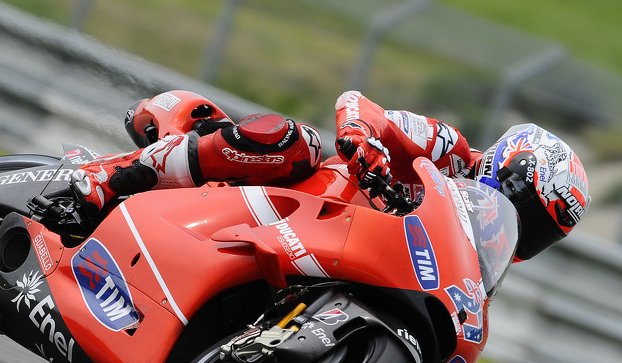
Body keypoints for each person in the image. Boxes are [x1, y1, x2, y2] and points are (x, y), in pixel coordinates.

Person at [71, 89, 590, 261]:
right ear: (511, 170)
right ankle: (108, 180)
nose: (523, 230)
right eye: (529, 213)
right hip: (298, 196)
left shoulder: (473, 253)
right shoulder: (449, 149)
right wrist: (362, 138)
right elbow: (359, 103)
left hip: (336, 254)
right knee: (296, 142)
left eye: (541, 230)